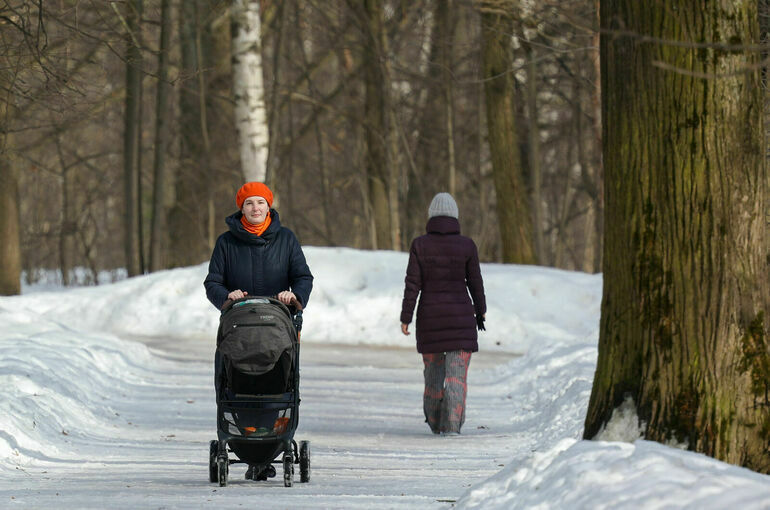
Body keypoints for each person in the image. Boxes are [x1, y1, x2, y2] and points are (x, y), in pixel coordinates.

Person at [204, 181, 313, 480]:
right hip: (239, 329)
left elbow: (302, 276)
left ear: (269, 206)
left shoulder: (286, 240)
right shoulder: (226, 243)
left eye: (261, 203)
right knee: (235, 384)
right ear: (241, 207)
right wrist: (227, 297)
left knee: (276, 384)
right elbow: (212, 282)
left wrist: (295, 297)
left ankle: (267, 450)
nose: (255, 208)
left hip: (278, 331)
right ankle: (247, 446)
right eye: (249, 203)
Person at [400, 192, 486, 435]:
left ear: (431, 217)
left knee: (434, 378)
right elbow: (476, 283)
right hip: (461, 321)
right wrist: (481, 311)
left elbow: (412, 284)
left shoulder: (420, 245)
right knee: (457, 378)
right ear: (455, 217)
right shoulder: (467, 245)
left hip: (430, 322)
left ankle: (436, 423)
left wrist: (406, 317)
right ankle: (452, 427)